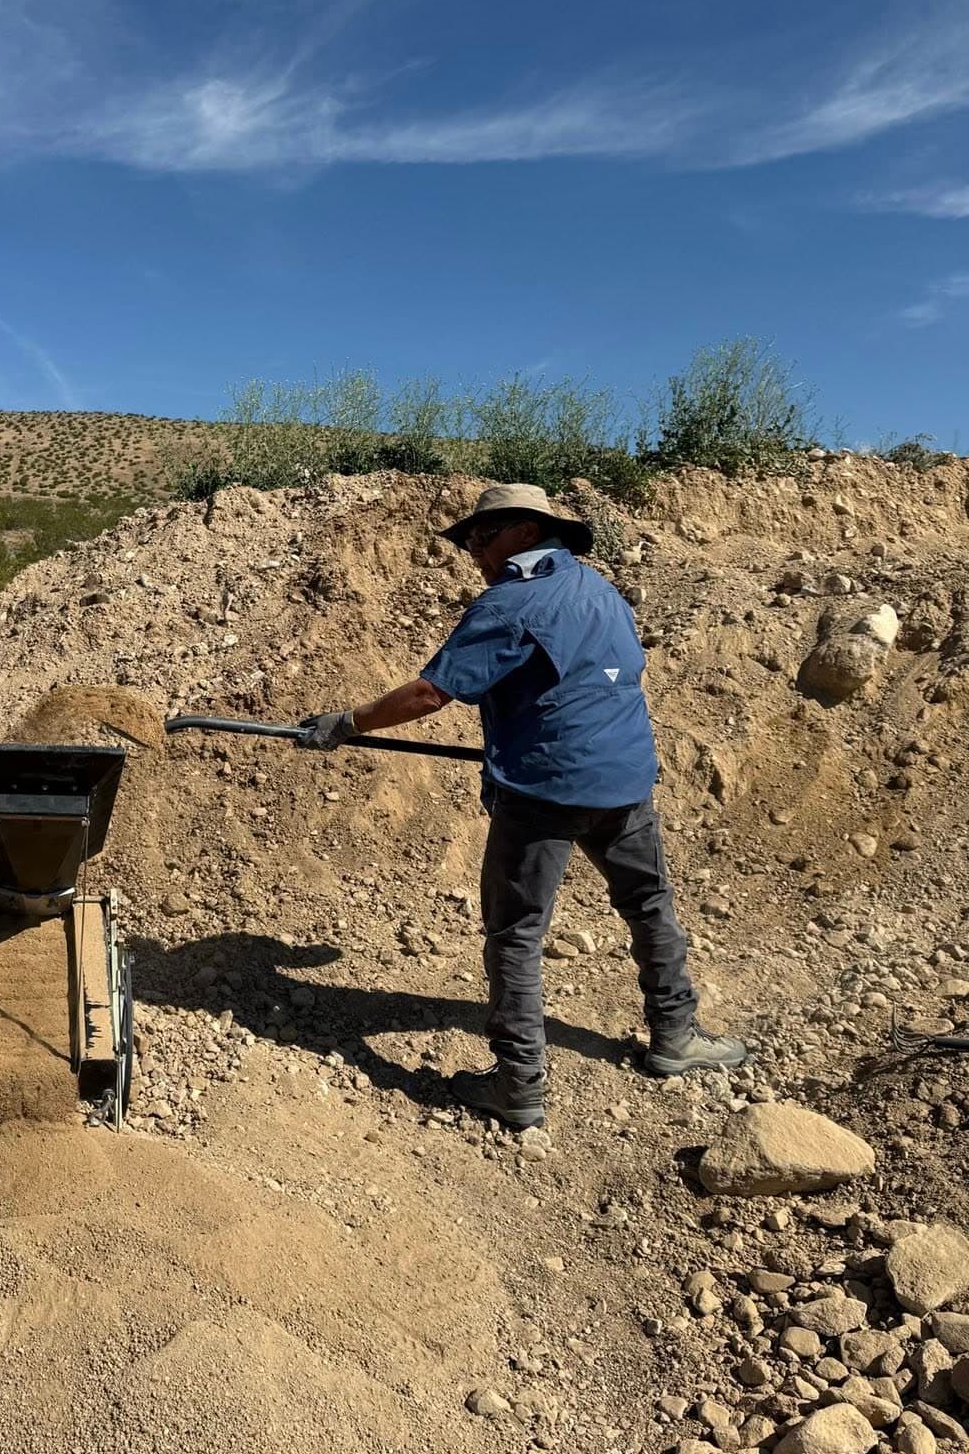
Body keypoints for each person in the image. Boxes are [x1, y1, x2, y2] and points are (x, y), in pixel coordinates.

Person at [297, 482, 745, 1131]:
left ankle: (518, 1086)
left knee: (515, 935)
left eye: (485, 535)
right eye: (470, 540)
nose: (474, 550)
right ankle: (676, 1034)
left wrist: (346, 723)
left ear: (528, 533)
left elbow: (428, 695)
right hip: (625, 784)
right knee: (649, 906)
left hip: (545, 794)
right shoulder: (602, 592)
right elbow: (591, 684)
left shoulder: (510, 603)